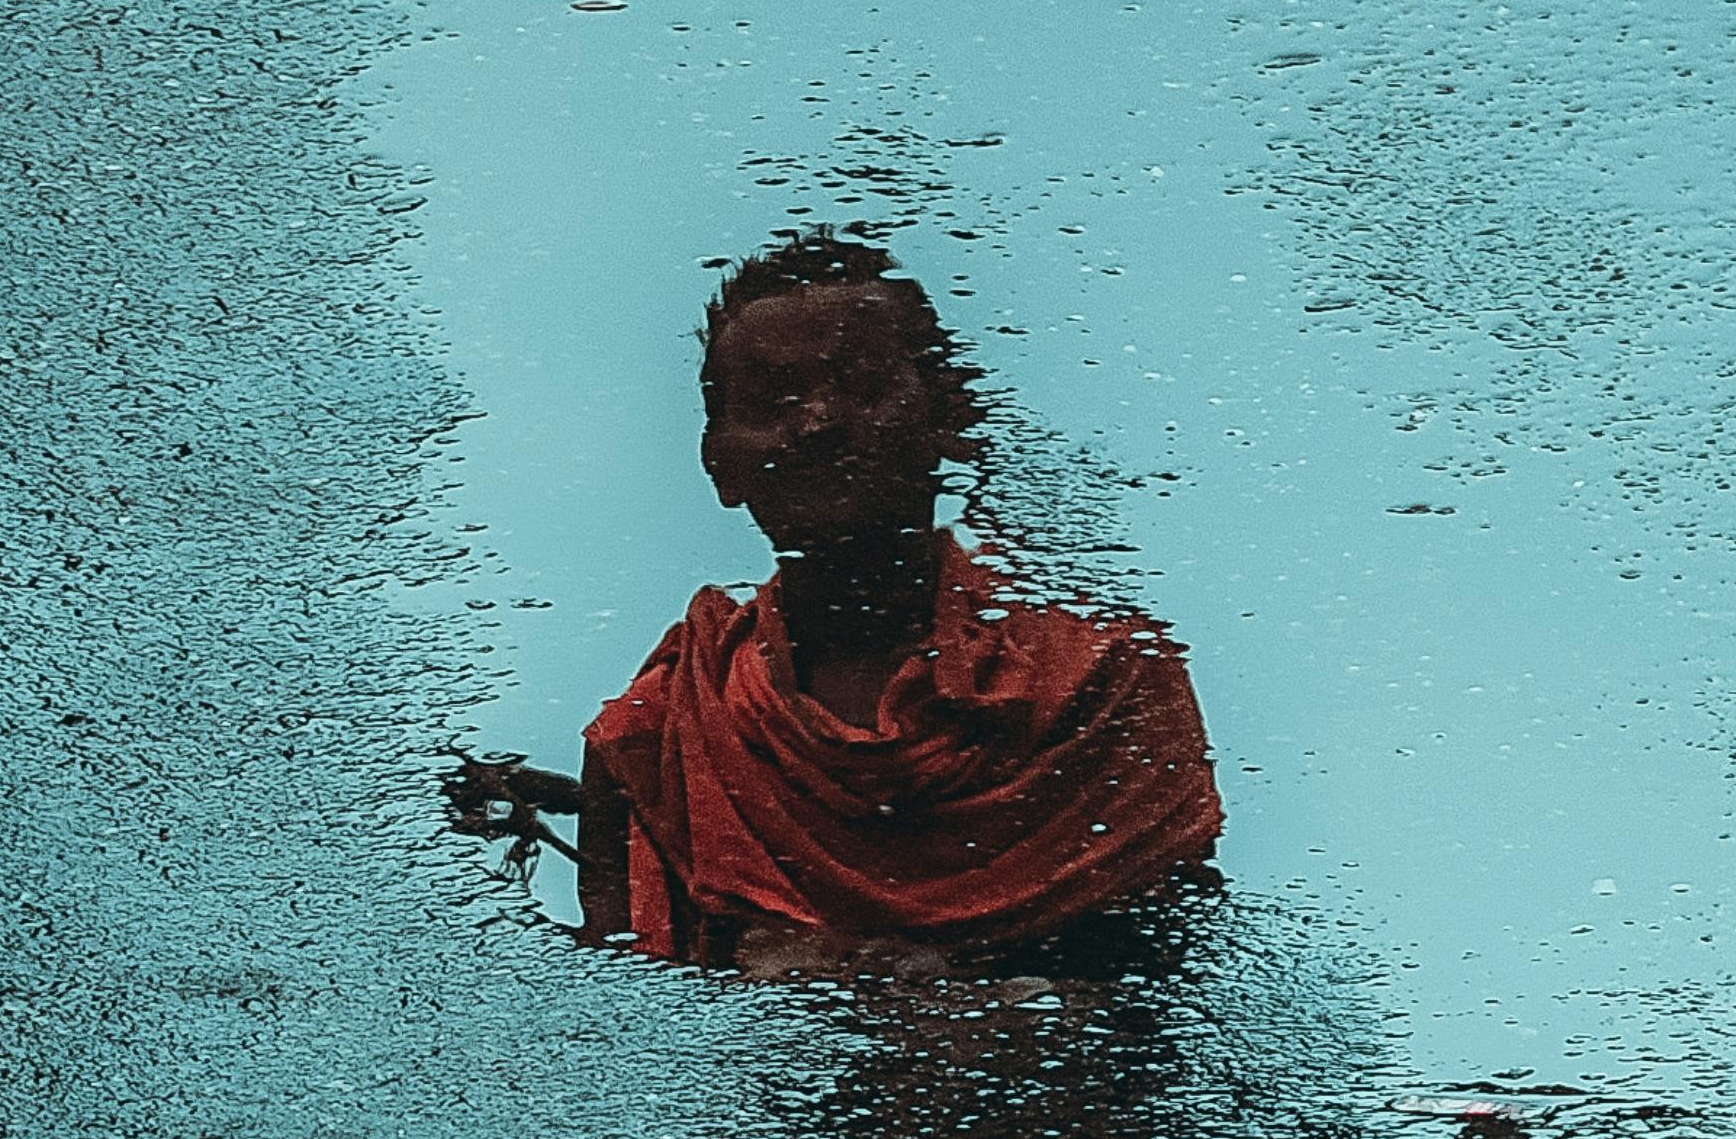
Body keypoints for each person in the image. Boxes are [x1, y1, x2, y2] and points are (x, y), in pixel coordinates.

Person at [452, 234, 1220, 981]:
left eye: (860, 385)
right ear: (718, 461)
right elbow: (631, 1039)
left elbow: (1170, 1004)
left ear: (949, 423)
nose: (818, 424)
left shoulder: (1100, 685)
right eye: (773, 400)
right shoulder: (662, 732)